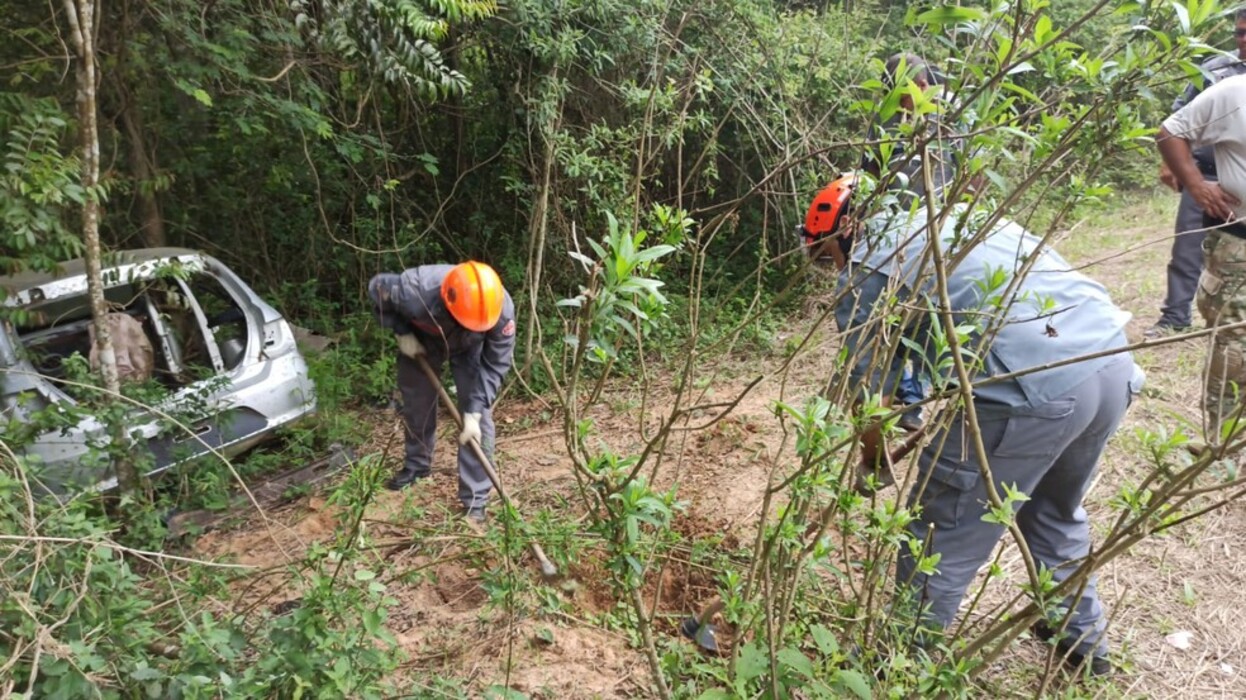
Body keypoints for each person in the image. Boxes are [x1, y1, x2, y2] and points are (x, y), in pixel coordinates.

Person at [819, 174, 1142, 676]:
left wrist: (873, 459)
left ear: (843, 232)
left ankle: (899, 660)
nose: (834, 268)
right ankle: (1083, 641)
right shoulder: (959, 219)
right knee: (1053, 510)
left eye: (826, 256)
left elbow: (870, 398)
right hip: (1110, 360)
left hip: (1031, 390)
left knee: (940, 528)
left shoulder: (869, 264)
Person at [367, 261, 516, 522]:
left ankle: (475, 499)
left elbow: (495, 365)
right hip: (422, 338)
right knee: (417, 402)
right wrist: (402, 331)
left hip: (470, 347)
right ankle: (417, 466)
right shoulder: (414, 290)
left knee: (478, 421)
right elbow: (376, 289)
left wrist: (474, 411)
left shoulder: (500, 311)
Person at [1158, 65, 1246, 434]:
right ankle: (1224, 443)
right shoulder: (1234, 92)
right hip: (1238, 244)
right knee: (1234, 348)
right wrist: (1196, 184)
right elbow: (1172, 131)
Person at [1147, 10, 1246, 338]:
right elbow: (1177, 120)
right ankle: (1175, 317)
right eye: (1239, 32)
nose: (1243, 39)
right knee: (1188, 248)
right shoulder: (1216, 69)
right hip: (1205, 172)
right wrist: (1177, 169)